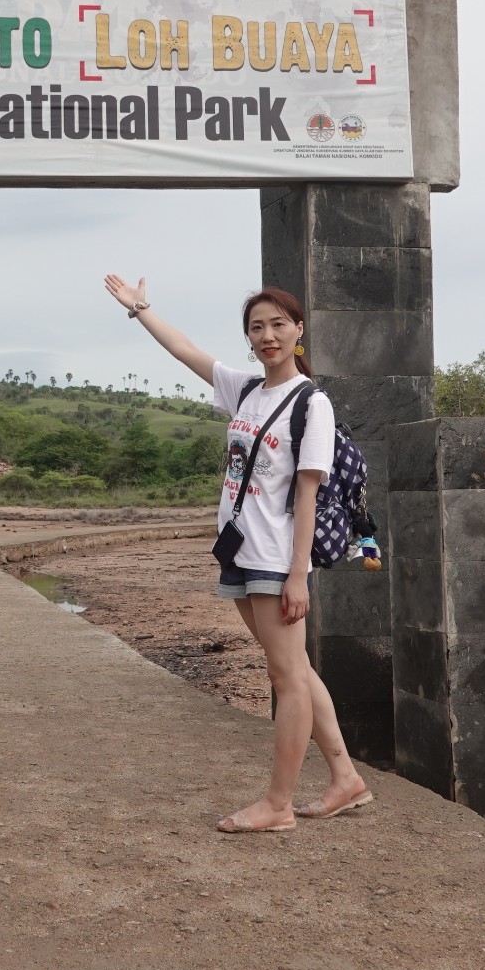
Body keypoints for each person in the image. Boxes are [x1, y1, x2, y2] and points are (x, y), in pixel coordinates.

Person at [103, 275, 372, 832]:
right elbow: (185, 351)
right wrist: (141, 310)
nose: (267, 335)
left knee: (286, 677)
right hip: (241, 549)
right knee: (293, 668)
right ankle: (346, 778)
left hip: (276, 557)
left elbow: (307, 492)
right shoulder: (246, 390)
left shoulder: (310, 404)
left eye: (278, 324)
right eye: (257, 327)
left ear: (299, 330)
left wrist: (299, 575)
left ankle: (278, 804)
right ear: (248, 337)